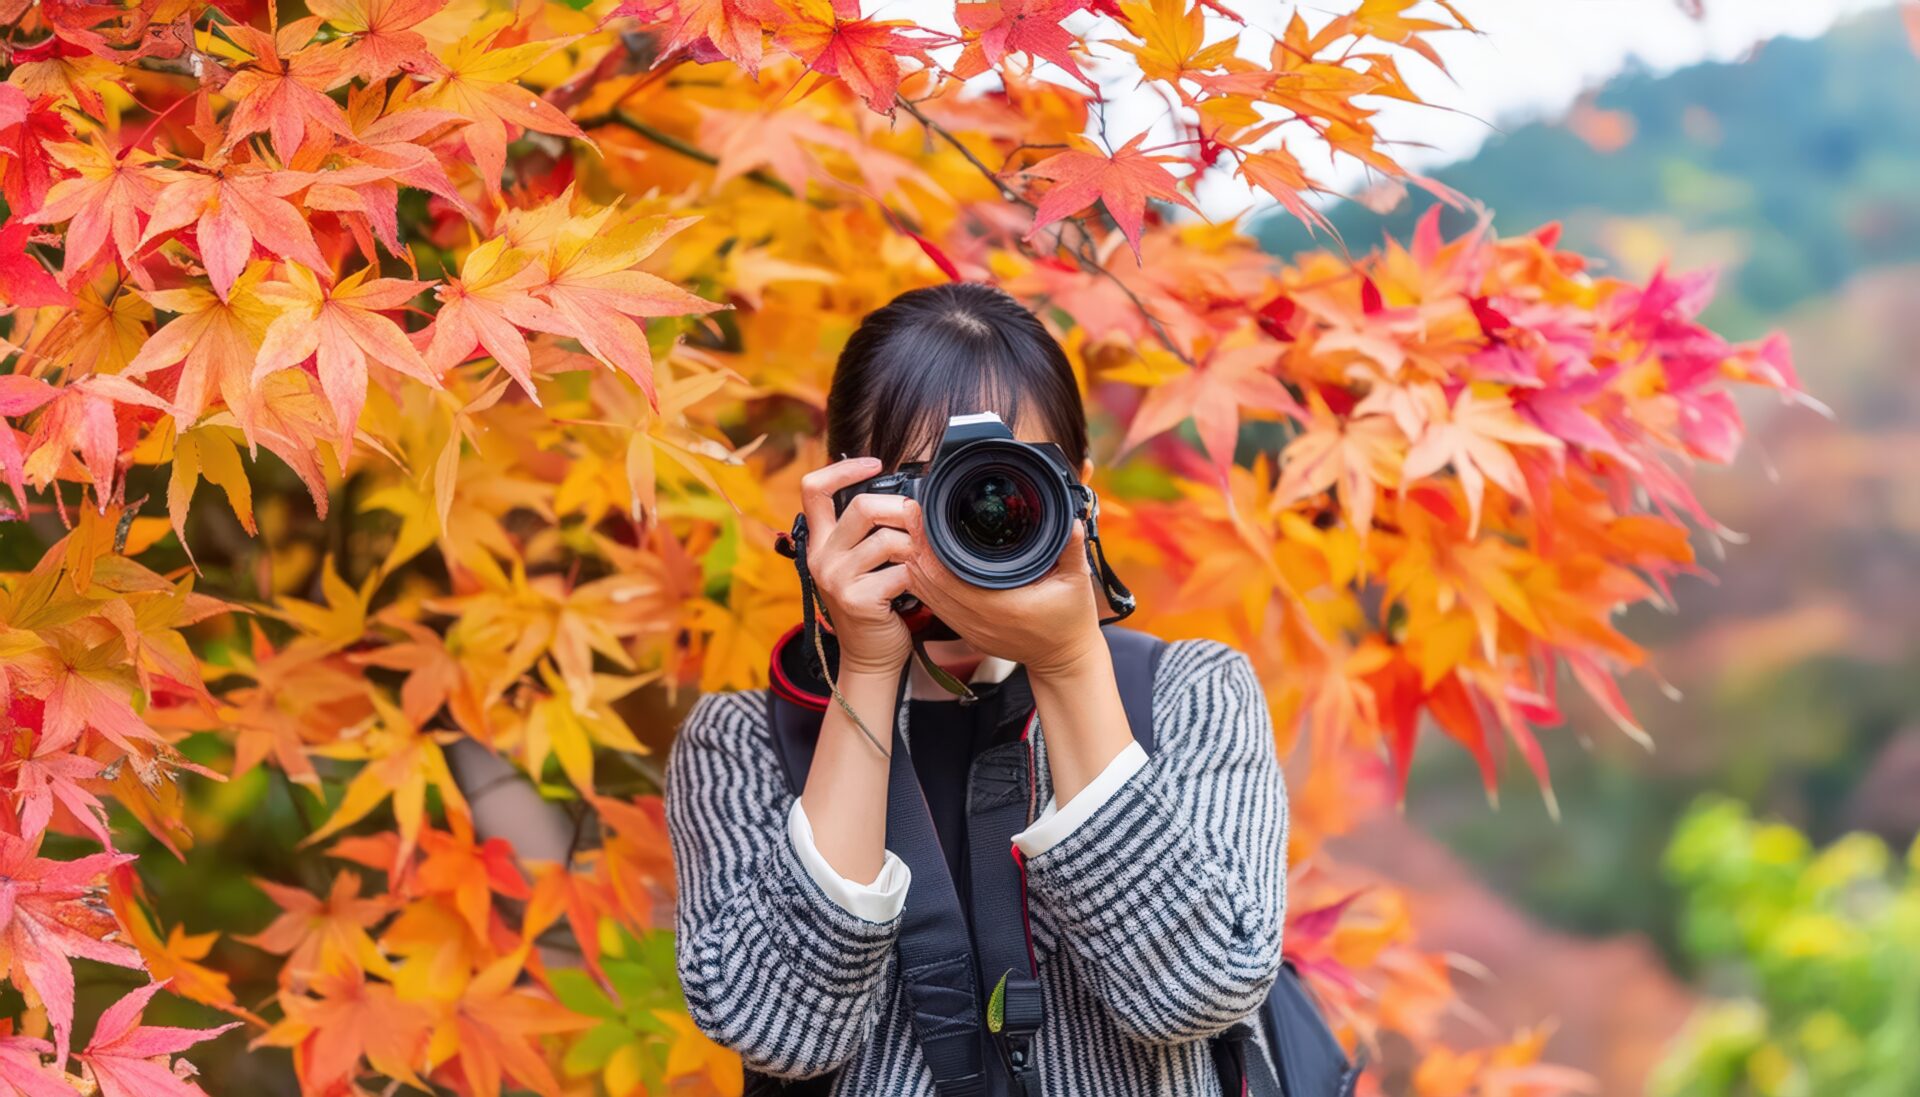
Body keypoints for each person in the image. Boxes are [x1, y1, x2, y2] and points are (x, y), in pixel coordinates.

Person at [666, 281, 1290, 1095]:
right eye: (922, 487)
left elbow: (1198, 992)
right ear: (843, 499)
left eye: (1006, 484)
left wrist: (1068, 665)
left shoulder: (1190, 696)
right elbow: (778, 1032)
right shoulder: (745, 739)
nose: (973, 521)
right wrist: (866, 667)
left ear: (1082, 495)